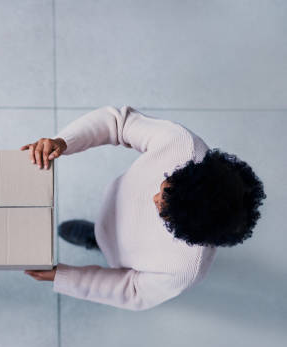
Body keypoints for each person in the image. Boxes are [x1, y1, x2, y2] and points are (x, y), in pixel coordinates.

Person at [22, 106, 265, 310]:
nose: (153, 198)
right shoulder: (182, 145)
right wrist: (63, 141)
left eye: (163, 211)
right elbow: (119, 123)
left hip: (125, 254)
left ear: (187, 232)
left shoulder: (184, 270)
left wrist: (65, 277)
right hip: (115, 200)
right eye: (164, 185)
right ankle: (98, 233)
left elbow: (133, 290)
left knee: (106, 244)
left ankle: (96, 240)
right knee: (104, 227)